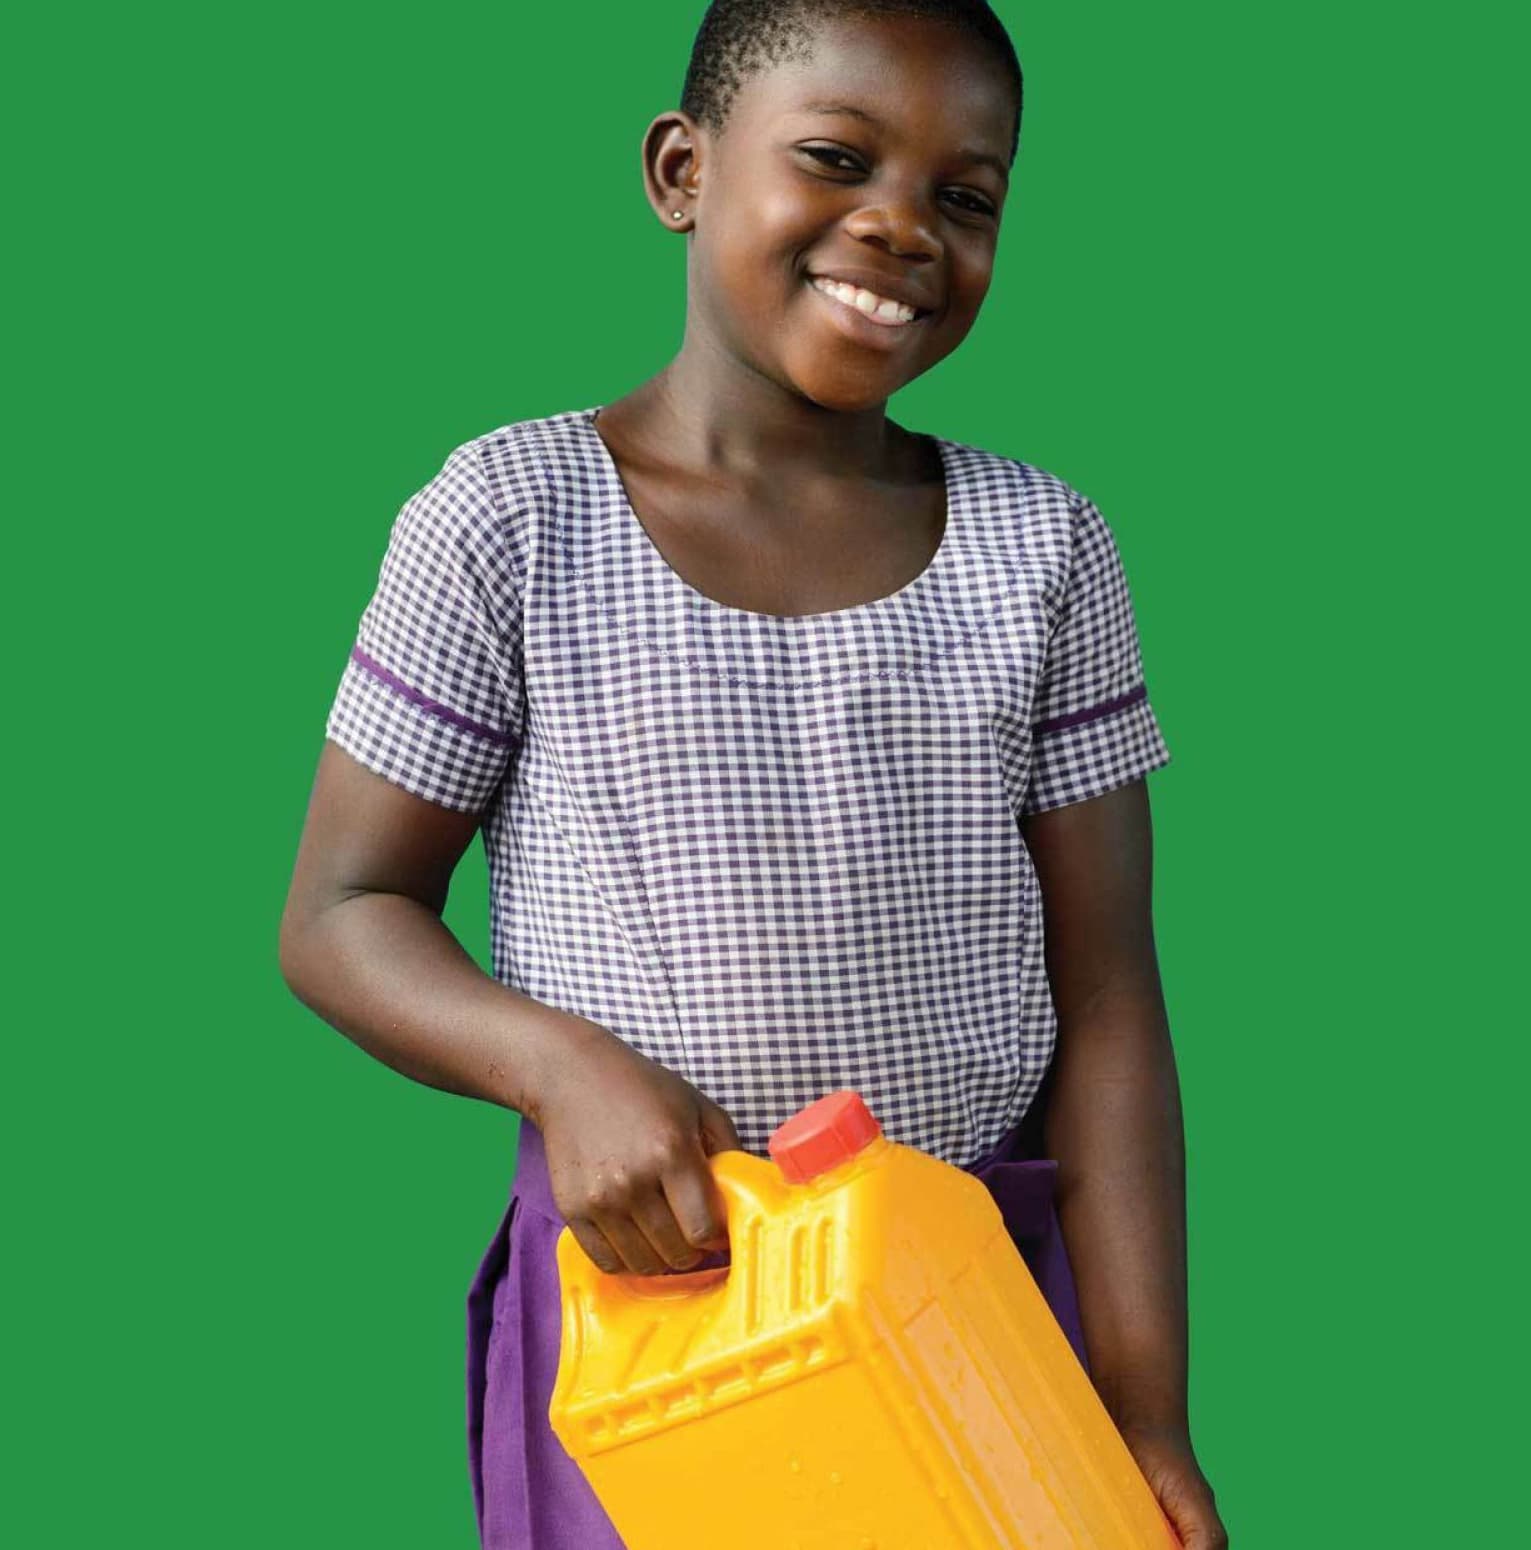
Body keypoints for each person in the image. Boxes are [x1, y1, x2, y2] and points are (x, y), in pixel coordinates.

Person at [279, 1, 1227, 1545]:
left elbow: (1109, 995)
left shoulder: (1040, 546)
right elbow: (340, 909)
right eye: (836, 158)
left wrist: (1143, 1408)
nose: (900, 225)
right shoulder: (508, 519)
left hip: (972, 1299)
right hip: (661, 1308)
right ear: (678, 167)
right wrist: (555, 1066)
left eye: (965, 196)